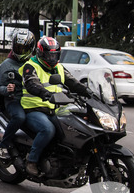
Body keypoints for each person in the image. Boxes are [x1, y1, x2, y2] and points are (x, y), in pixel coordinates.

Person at [20, 36, 90, 176]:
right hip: (34, 109)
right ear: (40, 53)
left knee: (73, 127)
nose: (52, 58)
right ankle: (31, 161)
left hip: (55, 109)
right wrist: (44, 94)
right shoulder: (31, 66)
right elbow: (32, 84)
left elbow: (73, 82)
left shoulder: (59, 67)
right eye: (48, 54)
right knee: (47, 130)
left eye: (54, 54)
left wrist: (89, 92)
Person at [0, 30, 36, 160]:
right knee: (19, 117)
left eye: (24, 49)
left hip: (32, 100)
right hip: (14, 100)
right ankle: (3, 145)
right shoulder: (6, 65)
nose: (21, 51)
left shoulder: (34, 63)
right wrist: (7, 89)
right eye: (18, 48)